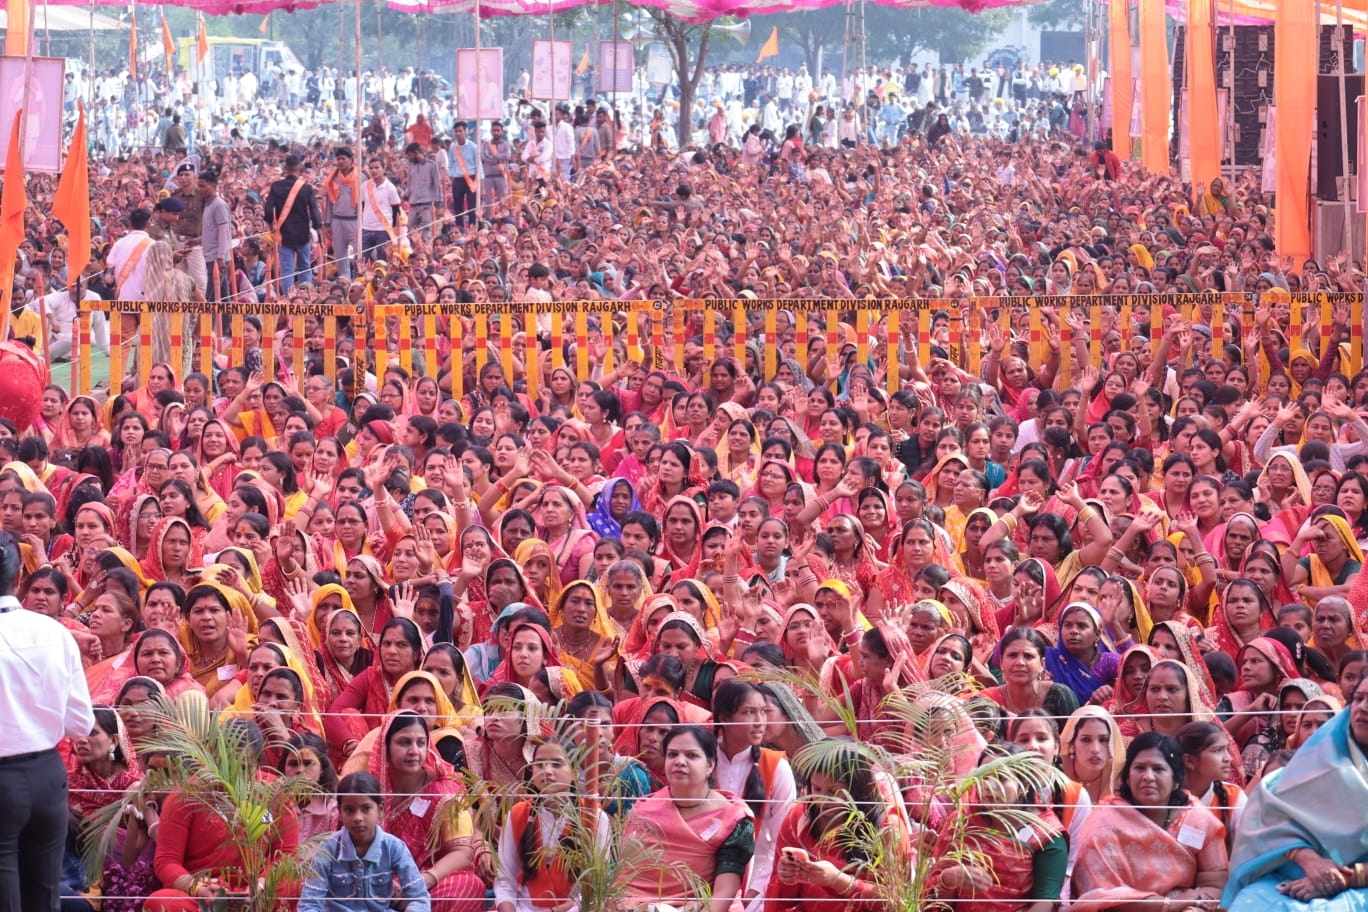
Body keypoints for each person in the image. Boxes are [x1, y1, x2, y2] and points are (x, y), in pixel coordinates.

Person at [0, 531, 96, 912]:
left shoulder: (57, 632)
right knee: (43, 893)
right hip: (47, 776)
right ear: (20, 579)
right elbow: (81, 723)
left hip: (5, 780)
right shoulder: (55, 632)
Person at [1223, 677, 1368, 910]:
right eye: (1359, 699)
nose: (1363, 707)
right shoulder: (1316, 760)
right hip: (1295, 872)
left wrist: (1343, 878)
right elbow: (1264, 814)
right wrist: (1306, 858)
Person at [1071, 731, 1229, 911]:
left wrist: (1196, 905)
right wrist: (1168, 906)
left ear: (1176, 780)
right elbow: (1099, 896)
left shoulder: (1196, 819)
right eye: (1139, 768)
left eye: (1158, 769)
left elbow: (1216, 883)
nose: (1148, 776)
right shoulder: (1104, 823)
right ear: (1127, 778)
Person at [298, 771, 432, 912]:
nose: (358, 817)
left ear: (380, 809)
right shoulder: (327, 849)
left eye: (366, 809)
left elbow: (419, 897)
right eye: (349, 810)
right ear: (340, 813)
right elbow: (309, 905)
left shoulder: (394, 847)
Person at [263, 154, 323, 293]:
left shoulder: (276, 186)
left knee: (287, 269)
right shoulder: (306, 188)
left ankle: (288, 298)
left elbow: (267, 209)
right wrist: (317, 227)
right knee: (304, 266)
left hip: (283, 232)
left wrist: (270, 224)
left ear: (285, 168)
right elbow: (314, 210)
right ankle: (306, 295)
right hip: (302, 232)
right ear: (299, 168)